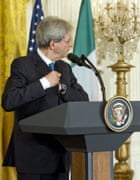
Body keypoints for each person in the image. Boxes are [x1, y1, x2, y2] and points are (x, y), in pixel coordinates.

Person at [1, 16, 89, 180]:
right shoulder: (23, 65)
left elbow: (83, 99)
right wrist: (44, 83)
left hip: (61, 155)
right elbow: (9, 101)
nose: (70, 45)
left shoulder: (65, 68)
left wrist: (63, 88)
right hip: (33, 157)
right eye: (67, 41)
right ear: (52, 44)